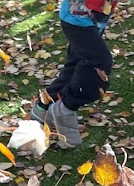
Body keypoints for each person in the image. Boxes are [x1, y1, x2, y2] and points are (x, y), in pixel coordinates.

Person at [29, 0, 118, 148]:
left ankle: (43, 107)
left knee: (78, 62)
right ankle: (64, 109)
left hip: (95, 15)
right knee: (98, 63)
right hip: (78, 17)